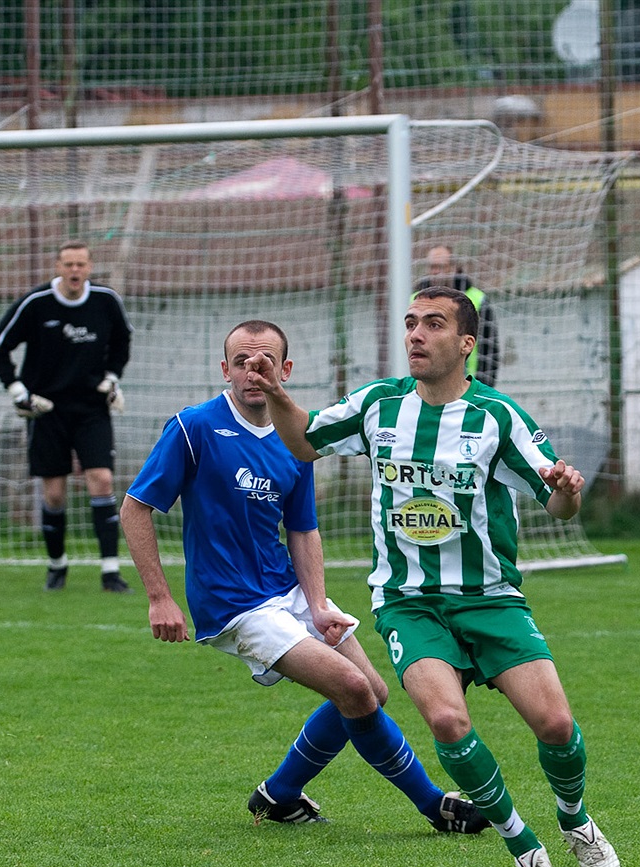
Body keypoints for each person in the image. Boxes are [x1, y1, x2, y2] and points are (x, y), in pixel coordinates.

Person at [244, 287, 621, 867]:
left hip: (491, 597)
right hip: (408, 601)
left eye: (434, 324)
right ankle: (523, 846)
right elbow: (304, 441)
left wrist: (569, 487)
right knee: (447, 720)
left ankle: (576, 821)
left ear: (466, 344)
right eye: (411, 323)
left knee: (554, 724)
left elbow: (557, 505)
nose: (416, 334)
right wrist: (280, 394)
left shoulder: (498, 417)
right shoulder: (378, 405)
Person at [119, 319, 490, 835]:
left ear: (285, 370)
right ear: (224, 369)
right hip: (232, 603)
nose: (254, 370)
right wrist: (159, 597)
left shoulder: (296, 439)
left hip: (286, 589)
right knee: (354, 688)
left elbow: (303, 530)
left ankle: (279, 793)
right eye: (242, 361)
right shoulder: (194, 427)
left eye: (265, 360)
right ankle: (434, 806)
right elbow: (135, 508)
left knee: (373, 693)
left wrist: (317, 604)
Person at [0, 240, 133, 592]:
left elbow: (122, 340)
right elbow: (0, 346)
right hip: (47, 409)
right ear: (58, 266)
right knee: (54, 494)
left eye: (81, 264)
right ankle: (57, 566)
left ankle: (110, 571)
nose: (75, 270)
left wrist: (112, 378)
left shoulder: (106, 301)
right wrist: (17, 390)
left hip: (92, 408)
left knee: (101, 479)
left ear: (89, 267)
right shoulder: (36, 304)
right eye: (68, 264)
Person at [415, 244, 499, 387]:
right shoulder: (414, 301)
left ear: (453, 268)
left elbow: (490, 349)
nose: (435, 272)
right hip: (423, 387)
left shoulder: (477, 300)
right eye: (431, 267)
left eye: (440, 267)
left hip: (468, 385)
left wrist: (483, 388)